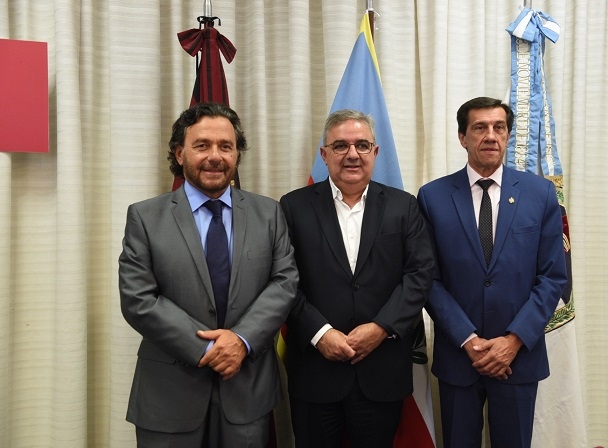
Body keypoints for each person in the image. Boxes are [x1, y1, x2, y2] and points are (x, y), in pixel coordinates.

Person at [119, 102, 299, 447]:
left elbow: (284, 282)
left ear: (237, 154)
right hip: (168, 396)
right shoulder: (145, 217)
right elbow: (138, 299)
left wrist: (241, 340)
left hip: (247, 393)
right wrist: (209, 348)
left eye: (225, 146)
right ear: (180, 153)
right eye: (202, 145)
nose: (215, 156)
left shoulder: (269, 213)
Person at [417, 97, 567, 448]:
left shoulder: (540, 194)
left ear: (508, 135)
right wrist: (468, 340)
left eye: (499, 127)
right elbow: (428, 279)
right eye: (479, 127)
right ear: (462, 137)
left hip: (518, 358)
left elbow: (553, 277)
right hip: (459, 357)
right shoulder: (432, 197)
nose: (490, 135)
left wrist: (513, 341)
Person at [279, 109, 434, 448]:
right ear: (324, 154)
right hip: (316, 370)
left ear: (375, 152)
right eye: (340, 145)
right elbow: (283, 281)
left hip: (381, 370)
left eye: (362, 145)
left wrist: (380, 328)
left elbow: (419, 275)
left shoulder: (403, 206)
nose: (352, 154)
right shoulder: (292, 207)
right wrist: (321, 333)